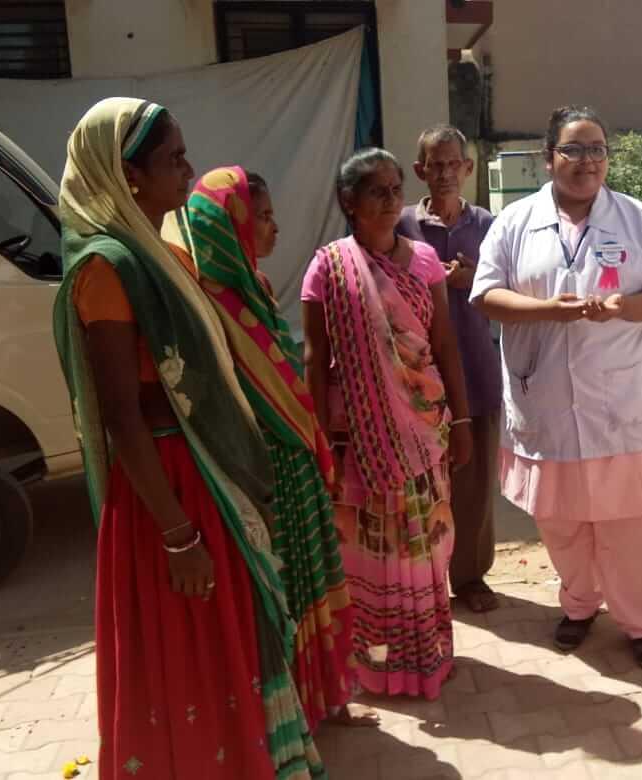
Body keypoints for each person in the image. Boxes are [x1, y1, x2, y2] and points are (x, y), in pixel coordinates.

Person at [53, 99, 324, 777]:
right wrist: (177, 534)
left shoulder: (165, 253)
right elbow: (123, 416)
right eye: (173, 158)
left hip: (208, 477)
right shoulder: (106, 271)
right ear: (129, 175)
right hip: (165, 492)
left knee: (229, 635)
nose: (189, 169)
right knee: (185, 644)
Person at [470, 105, 642, 668]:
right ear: (549, 159)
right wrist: (547, 311)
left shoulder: (638, 221)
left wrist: (625, 306)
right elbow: (486, 295)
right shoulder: (515, 222)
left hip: (622, 406)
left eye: (597, 149)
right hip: (545, 404)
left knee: (630, 525)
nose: (587, 161)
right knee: (561, 522)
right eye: (573, 149)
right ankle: (580, 604)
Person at [175, 166, 367, 731]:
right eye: (260, 216)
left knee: (315, 580)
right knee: (280, 592)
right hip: (261, 475)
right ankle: (290, 716)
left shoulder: (254, 288)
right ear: (227, 226)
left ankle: (326, 696)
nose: (274, 227)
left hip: (298, 463)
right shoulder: (202, 307)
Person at [300, 147, 472, 699]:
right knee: (366, 555)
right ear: (349, 203)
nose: (392, 199)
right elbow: (314, 353)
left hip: (422, 437)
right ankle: (372, 664)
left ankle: (424, 659)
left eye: (396, 188)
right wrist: (318, 437)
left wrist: (463, 420)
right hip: (358, 443)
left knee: (424, 550)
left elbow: (443, 345)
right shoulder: (328, 265)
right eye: (378, 190)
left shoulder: (423, 261)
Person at [397, 125, 502, 613]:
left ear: (467, 168)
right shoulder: (400, 224)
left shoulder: (488, 225)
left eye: (452, 164)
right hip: (418, 376)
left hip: (477, 371)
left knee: (475, 479)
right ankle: (423, 575)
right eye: (433, 165)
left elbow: (512, 285)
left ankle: (471, 576)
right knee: (422, 480)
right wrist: (438, 278)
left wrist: (471, 278)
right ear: (420, 170)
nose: (443, 173)